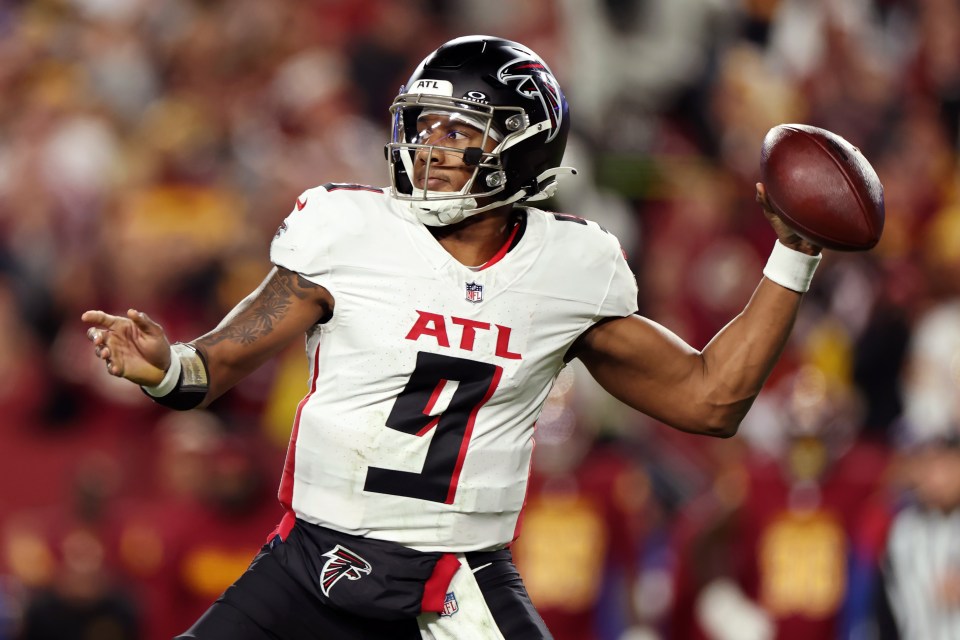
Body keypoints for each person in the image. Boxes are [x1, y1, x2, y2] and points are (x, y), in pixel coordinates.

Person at [82, 35, 825, 640]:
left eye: (459, 132)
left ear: (523, 147)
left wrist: (793, 252)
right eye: (423, 125)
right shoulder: (347, 230)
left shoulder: (570, 267)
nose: (430, 148)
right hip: (310, 562)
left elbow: (710, 401)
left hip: (454, 583)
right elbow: (209, 369)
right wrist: (163, 365)